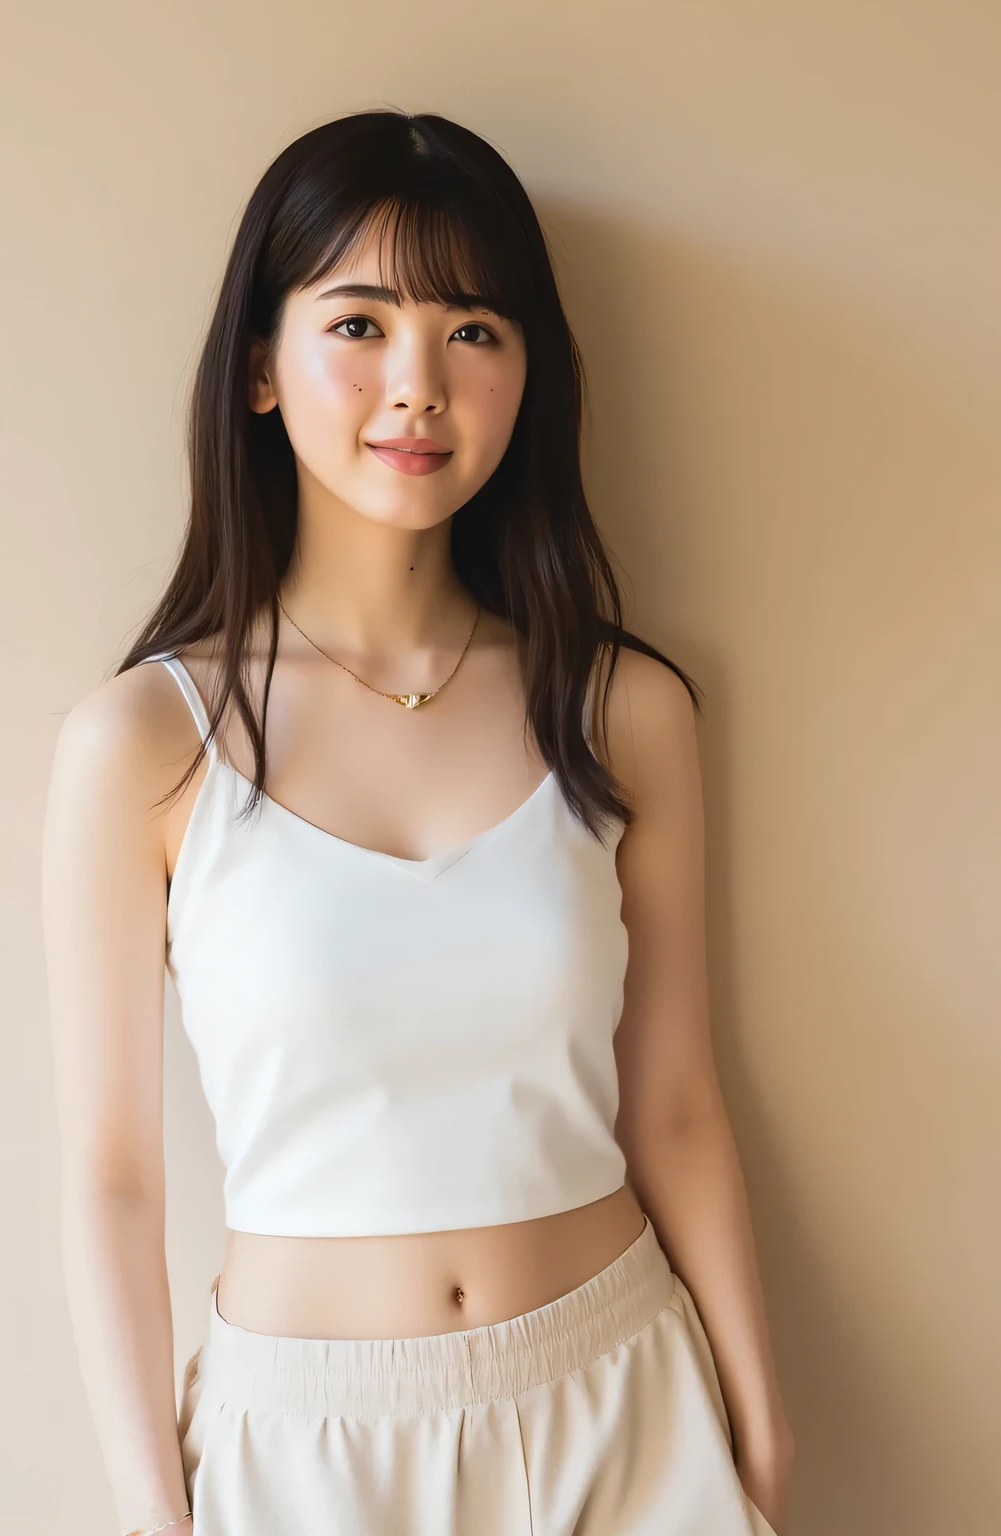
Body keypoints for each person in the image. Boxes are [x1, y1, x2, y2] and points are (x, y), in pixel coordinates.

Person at [41, 109, 795, 1536]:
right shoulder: (142, 745)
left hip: (625, 1409)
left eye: (472, 332)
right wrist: (155, 1513)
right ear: (261, 366)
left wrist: (760, 1430)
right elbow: (112, 1178)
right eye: (361, 321)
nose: (418, 387)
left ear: (527, 380)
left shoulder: (621, 710)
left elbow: (680, 1102)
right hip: (305, 1456)